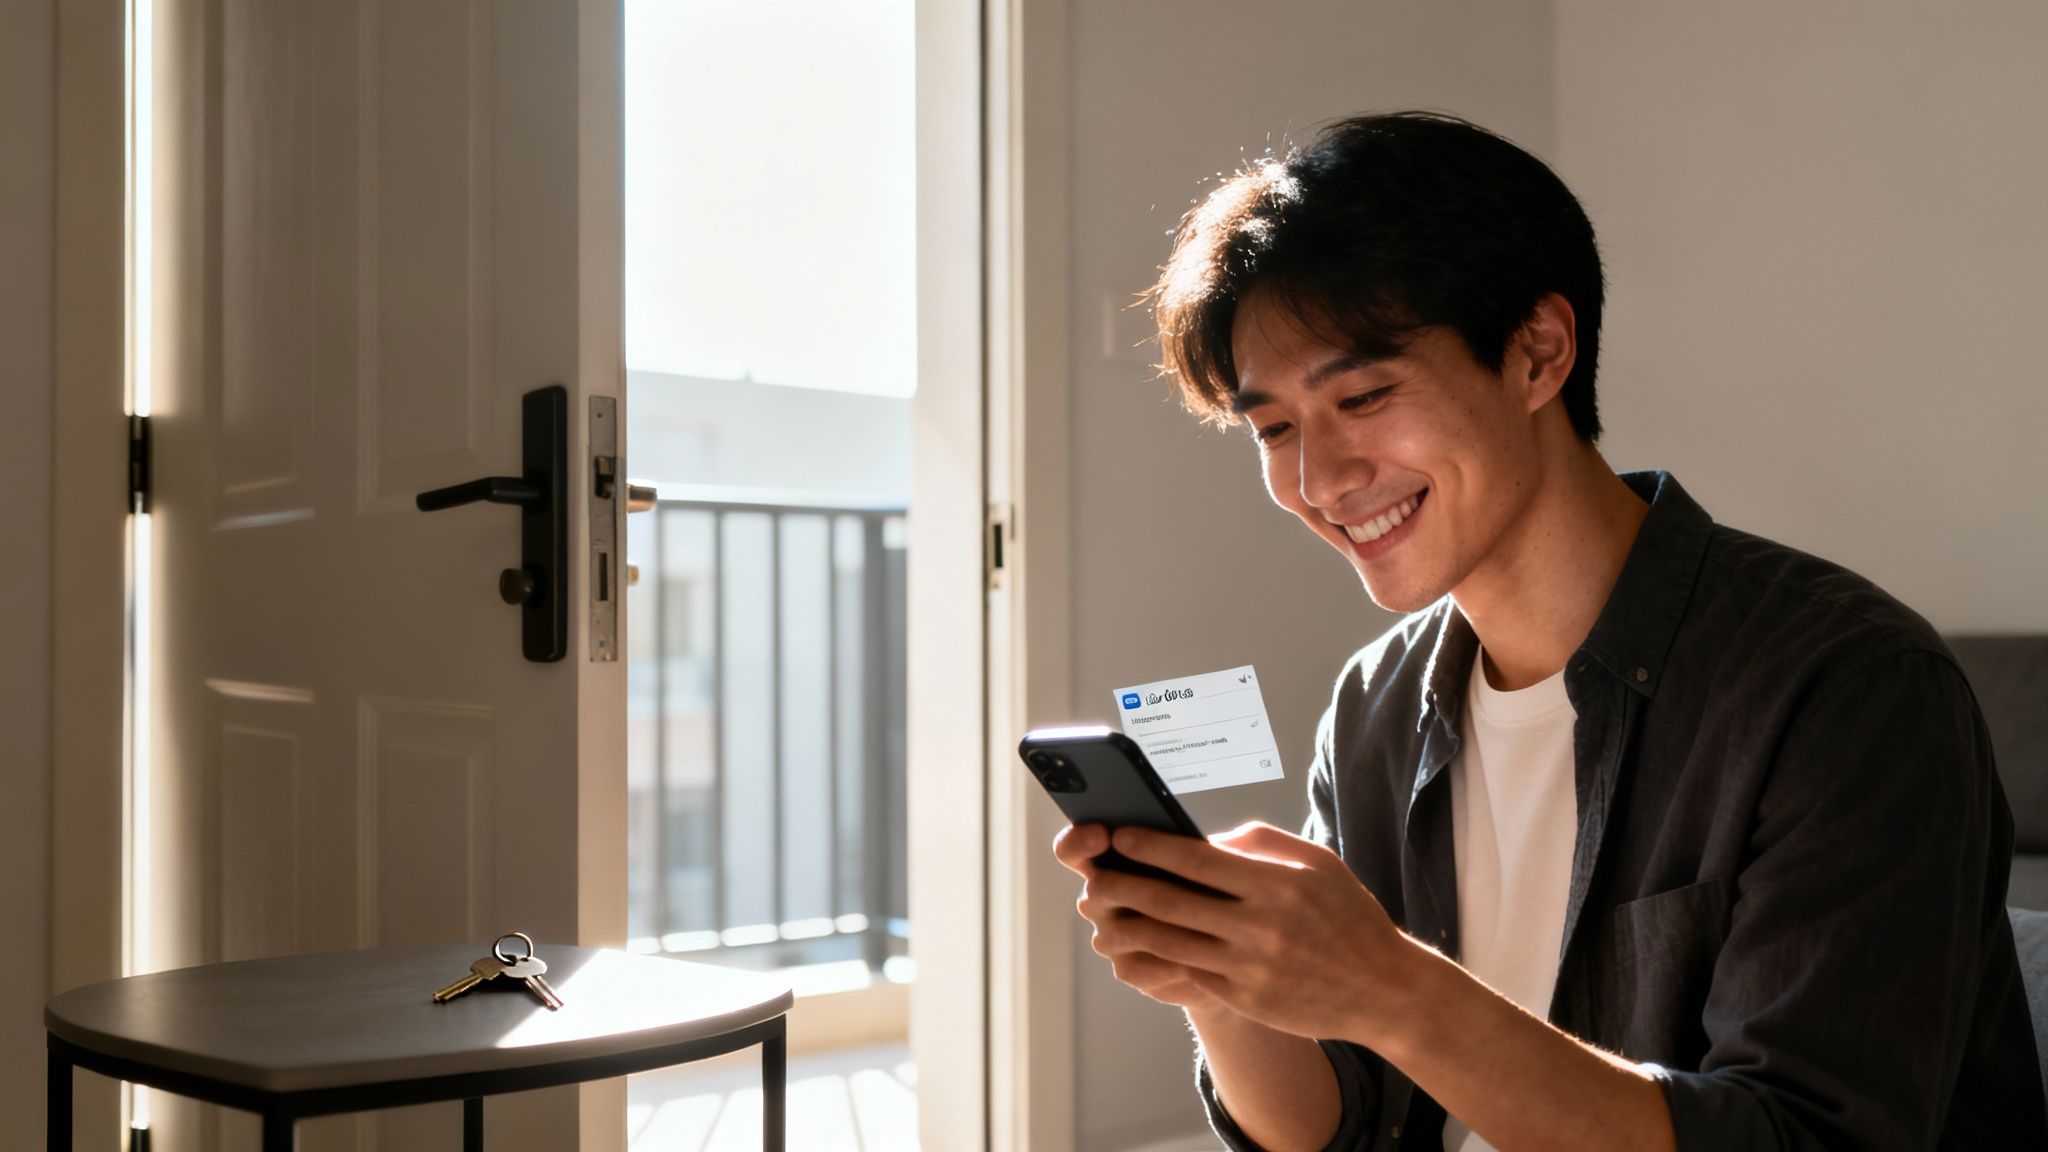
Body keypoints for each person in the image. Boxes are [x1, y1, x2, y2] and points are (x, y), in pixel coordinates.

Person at [1052, 111, 2046, 1152]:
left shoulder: (1844, 687)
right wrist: (1216, 979)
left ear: (1536, 354)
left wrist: (1392, 991)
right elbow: (1336, 1126)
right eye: (1273, 429)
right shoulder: (1377, 703)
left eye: (1364, 394)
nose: (1316, 482)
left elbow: (1802, 1140)